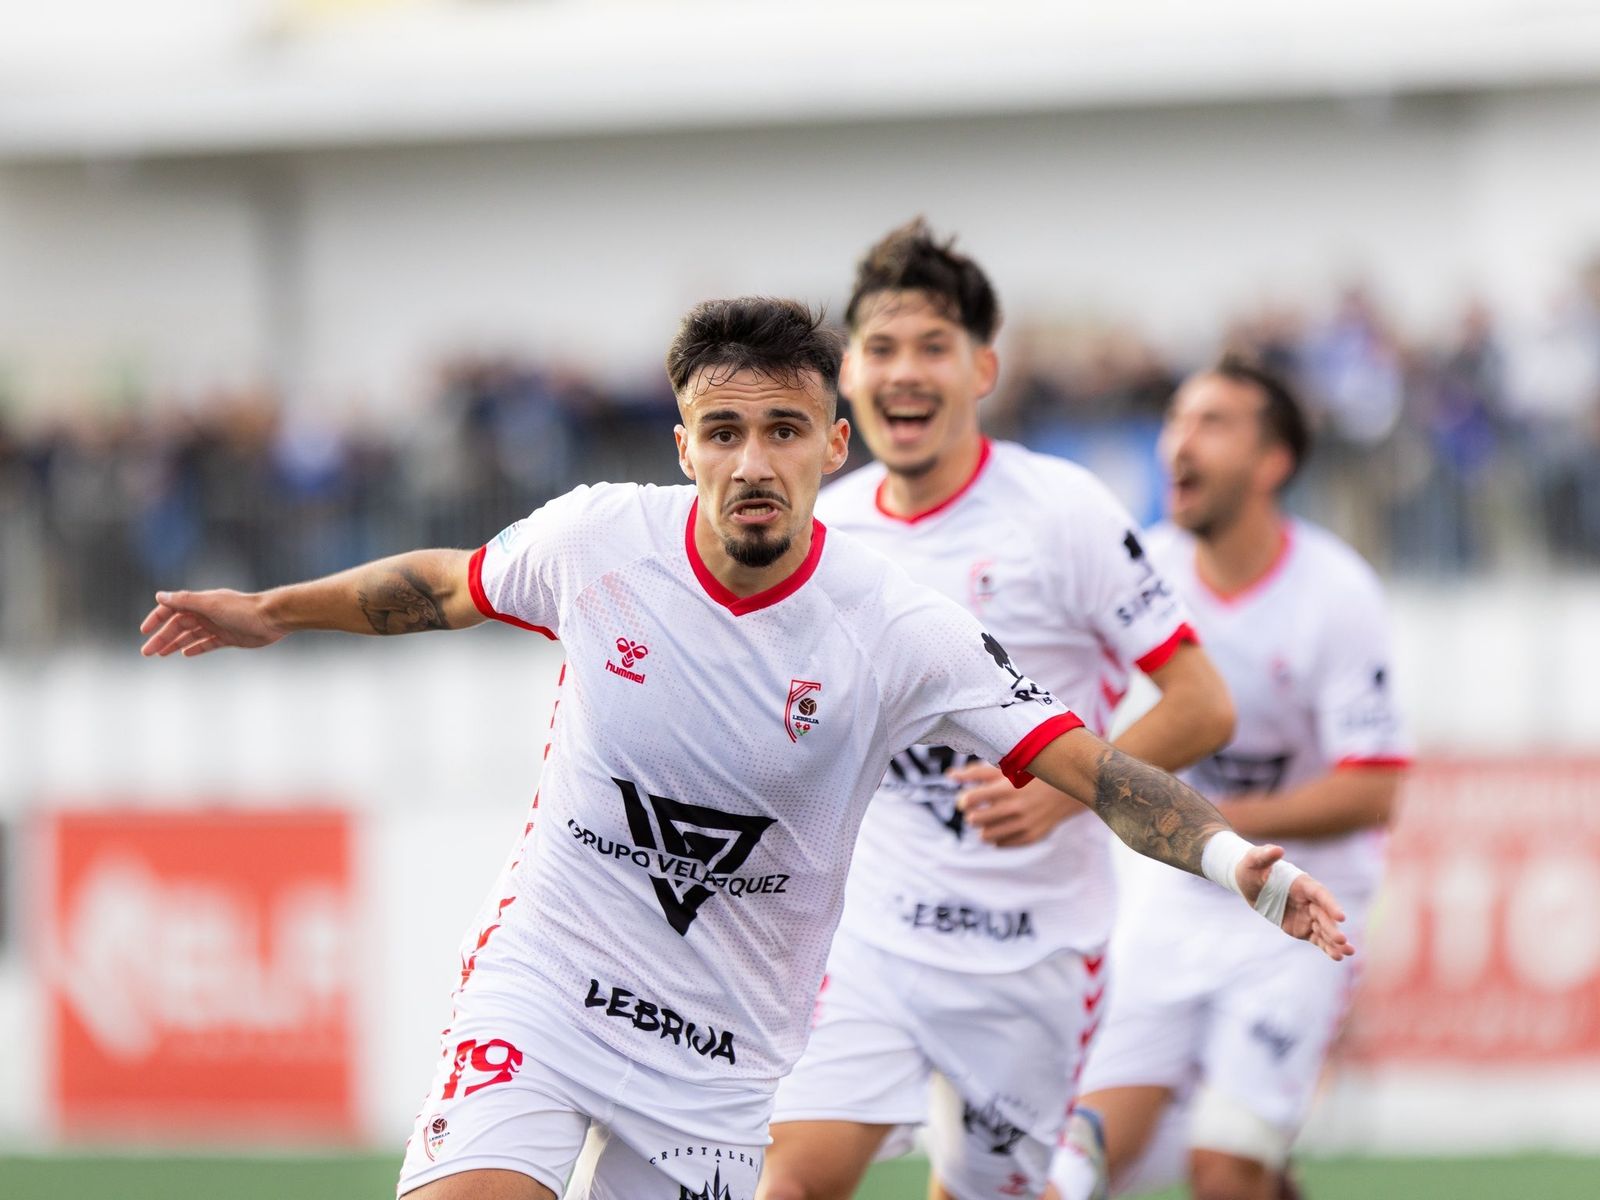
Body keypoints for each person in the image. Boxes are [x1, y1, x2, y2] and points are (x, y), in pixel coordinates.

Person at [139, 298, 1350, 1200]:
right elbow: (445, 585)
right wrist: (274, 611)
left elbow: (1096, 769)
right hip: (546, 989)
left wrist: (1239, 865)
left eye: (783, 429)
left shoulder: (899, 630)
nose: (753, 462)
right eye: (722, 431)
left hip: (717, 1061)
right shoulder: (597, 541)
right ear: (684, 447)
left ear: (834, 445)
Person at [758, 220, 1236, 1200]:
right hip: (868, 944)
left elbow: (1202, 704)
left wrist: (1067, 790)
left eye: (933, 347)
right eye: (882, 348)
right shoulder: (821, 529)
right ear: (848, 374)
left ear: (983, 368)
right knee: (789, 1183)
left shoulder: (1062, 511)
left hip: (1031, 955)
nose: (905, 371)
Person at [1048, 357, 1411, 1200]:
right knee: (1078, 1159)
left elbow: (1375, 791)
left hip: (1302, 906)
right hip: (1174, 898)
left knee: (1224, 1169)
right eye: (1177, 419)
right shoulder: (1145, 572)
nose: (1179, 441)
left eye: (1212, 423)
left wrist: (1211, 820)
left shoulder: (1337, 593)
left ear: (1272, 461)